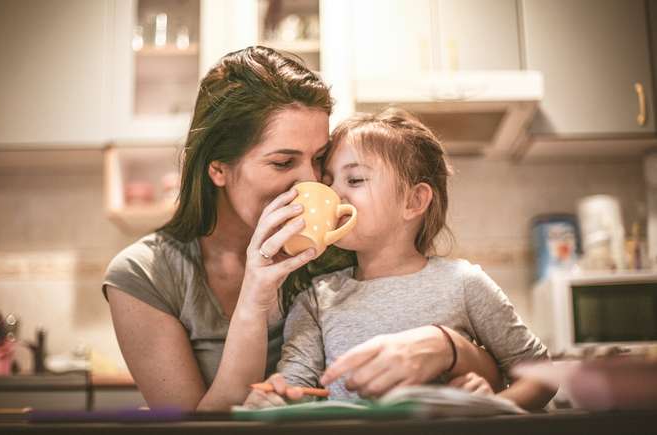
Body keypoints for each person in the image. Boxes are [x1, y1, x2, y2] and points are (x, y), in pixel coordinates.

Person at [103, 46, 500, 411]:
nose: (310, 182)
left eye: (319, 159)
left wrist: (449, 346)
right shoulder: (144, 276)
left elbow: (502, 372)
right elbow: (198, 428)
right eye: (282, 163)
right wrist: (255, 295)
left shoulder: (340, 245)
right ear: (218, 169)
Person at [245, 108, 557, 410]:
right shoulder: (315, 300)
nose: (334, 194)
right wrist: (276, 395)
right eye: (328, 181)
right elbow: (296, 387)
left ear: (414, 200)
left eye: (355, 180)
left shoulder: (463, 283)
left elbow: (542, 376)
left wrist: (492, 406)